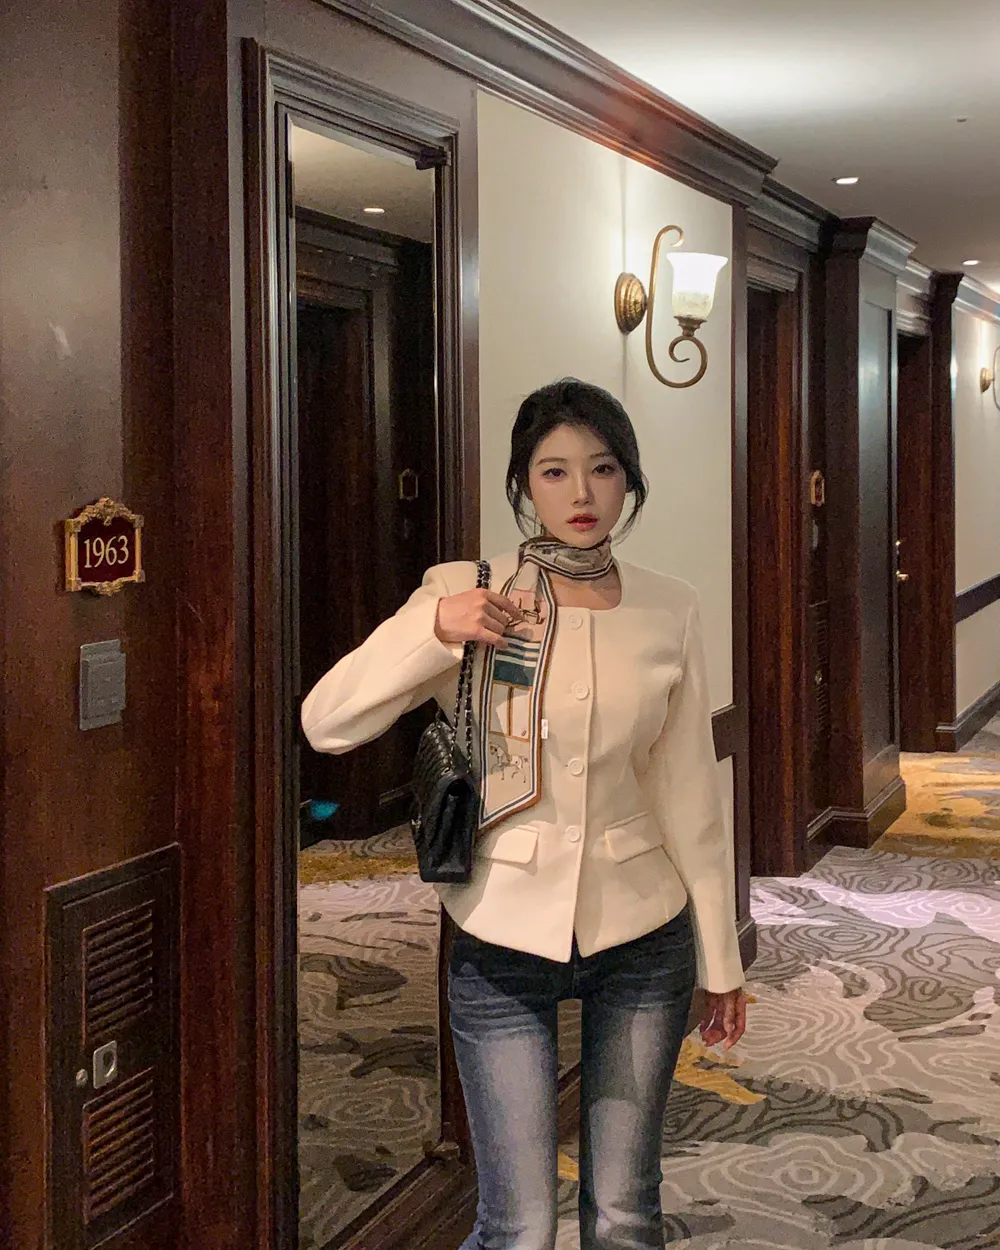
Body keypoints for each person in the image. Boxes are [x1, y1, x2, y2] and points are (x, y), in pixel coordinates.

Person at [301, 378, 747, 1250]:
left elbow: (690, 792)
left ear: (630, 481)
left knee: (625, 1213)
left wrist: (721, 959)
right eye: (554, 471)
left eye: (603, 469)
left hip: (642, 936)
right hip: (500, 937)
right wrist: (436, 626)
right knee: (519, 1227)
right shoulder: (466, 592)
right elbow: (327, 721)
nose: (581, 494)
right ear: (523, 484)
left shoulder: (670, 606)